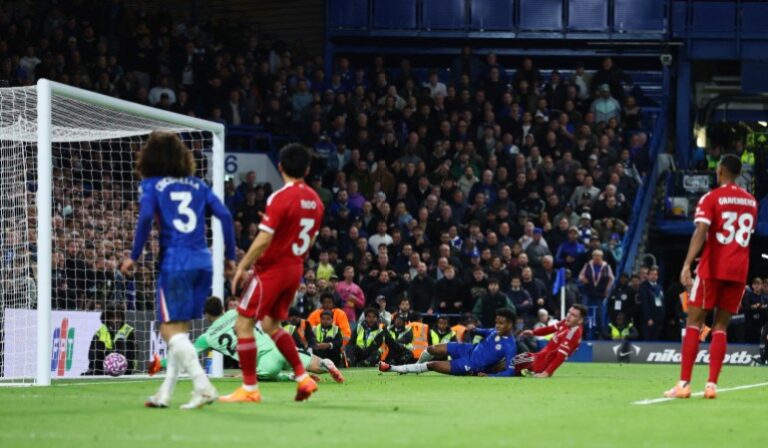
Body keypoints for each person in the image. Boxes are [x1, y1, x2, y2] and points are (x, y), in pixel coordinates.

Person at [120, 131, 237, 409]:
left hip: (176, 262)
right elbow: (225, 215)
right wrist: (230, 256)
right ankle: (165, 394)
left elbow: (147, 217)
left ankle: (203, 385)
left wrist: (133, 256)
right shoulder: (198, 185)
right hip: (203, 261)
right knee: (180, 332)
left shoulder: (152, 185)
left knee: (169, 332)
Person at [223, 143, 325, 403]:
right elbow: (310, 241)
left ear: (280, 167)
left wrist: (243, 267)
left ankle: (249, 389)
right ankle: (303, 378)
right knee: (270, 325)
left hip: (272, 269)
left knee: (243, 324)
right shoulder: (316, 201)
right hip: (295, 269)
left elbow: (263, 240)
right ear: (307, 168)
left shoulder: (279, 197)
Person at [665, 154, 757, 399]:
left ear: (720, 171)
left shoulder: (711, 198)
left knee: (694, 322)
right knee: (721, 327)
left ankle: (683, 384)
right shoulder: (751, 202)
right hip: (738, 271)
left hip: (712, 268)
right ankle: (711, 386)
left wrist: (686, 264)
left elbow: (701, 232)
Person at [147, 297, 344, 383]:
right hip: (276, 345)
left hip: (263, 360)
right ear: (223, 308)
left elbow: (185, 353)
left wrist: (160, 363)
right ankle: (326, 364)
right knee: (309, 362)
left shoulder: (207, 337)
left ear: (206, 314)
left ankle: (292, 377)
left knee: (256, 375)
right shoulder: (235, 312)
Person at [379, 308, 518, 377]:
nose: (498, 325)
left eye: (501, 323)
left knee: (432, 365)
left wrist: (490, 376)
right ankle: (415, 367)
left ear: (510, 325)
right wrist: (475, 329)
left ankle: (391, 368)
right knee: (432, 349)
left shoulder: (510, 345)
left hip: (470, 365)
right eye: (497, 322)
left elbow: (510, 372)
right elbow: (485, 331)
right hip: (467, 349)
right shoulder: (495, 331)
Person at [514, 304, 586, 378]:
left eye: (573, 315)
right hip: (537, 357)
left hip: (539, 364)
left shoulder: (573, 333)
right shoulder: (566, 322)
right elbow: (550, 329)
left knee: (509, 364)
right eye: (569, 312)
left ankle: (531, 372)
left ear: (580, 320)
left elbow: (561, 356)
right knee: (511, 363)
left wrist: (546, 373)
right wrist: (533, 332)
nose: (568, 316)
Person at [85, 307, 136, 375]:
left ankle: (119, 369)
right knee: (99, 345)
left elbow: (133, 354)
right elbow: (91, 354)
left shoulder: (128, 330)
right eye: (113, 317)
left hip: (124, 364)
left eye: (118, 317)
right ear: (107, 319)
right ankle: (95, 371)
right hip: (103, 363)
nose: (116, 320)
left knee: (120, 342)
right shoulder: (100, 332)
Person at [639, 266, 665, 340]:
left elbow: (662, 302)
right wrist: (648, 318)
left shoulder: (659, 287)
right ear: (648, 275)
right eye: (652, 274)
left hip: (658, 318)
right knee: (648, 339)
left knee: (657, 338)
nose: (654, 276)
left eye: (656, 274)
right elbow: (645, 303)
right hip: (649, 319)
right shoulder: (643, 286)